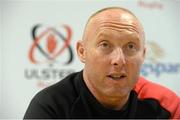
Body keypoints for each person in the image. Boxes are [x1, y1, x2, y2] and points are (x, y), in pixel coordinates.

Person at [24, 7, 180, 119]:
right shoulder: (51, 107)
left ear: (143, 55)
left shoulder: (167, 106)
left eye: (130, 46)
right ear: (82, 51)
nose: (119, 60)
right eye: (105, 45)